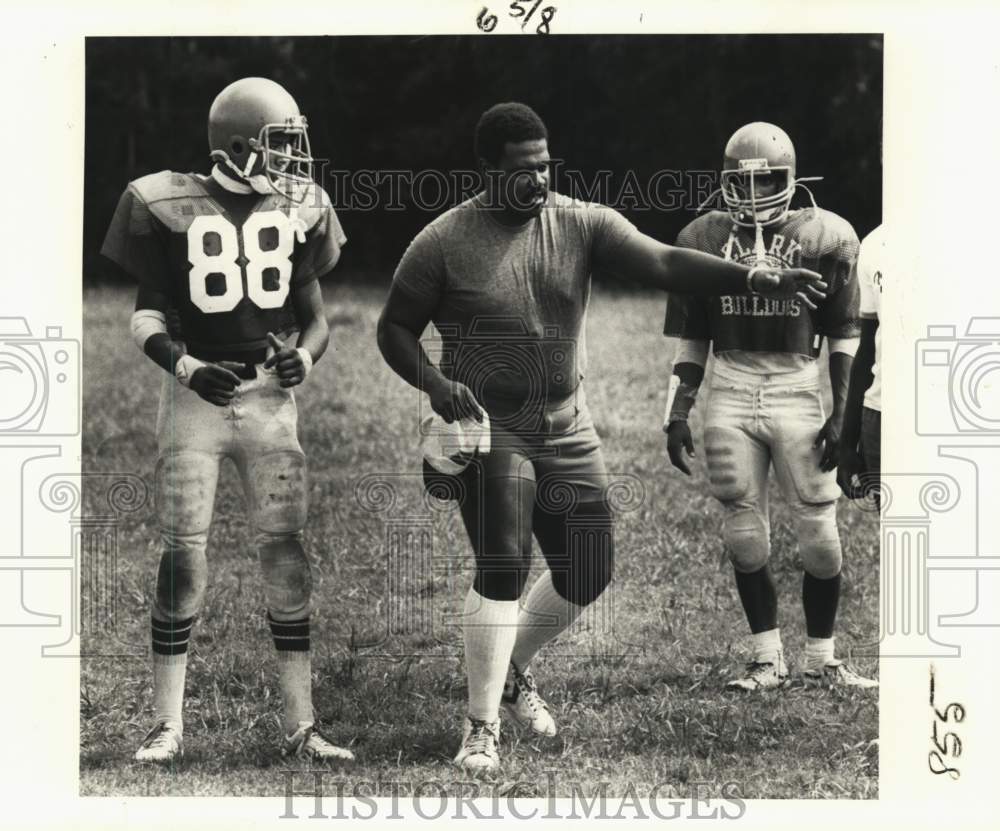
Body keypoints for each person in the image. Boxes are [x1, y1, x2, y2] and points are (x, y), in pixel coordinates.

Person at [377, 103, 828, 774]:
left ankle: (512, 671)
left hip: (567, 421)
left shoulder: (579, 221)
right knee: (502, 559)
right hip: (491, 426)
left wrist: (755, 275)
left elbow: (667, 262)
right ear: (486, 172)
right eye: (522, 171)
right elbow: (394, 329)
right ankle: (479, 728)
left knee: (590, 567)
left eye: (545, 166)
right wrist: (436, 387)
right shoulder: (443, 240)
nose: (538, 181)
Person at [101, 77, 354, 764]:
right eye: (280, 143)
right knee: (183, 556)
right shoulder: (166, 200)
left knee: (286, 553)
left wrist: (302, 355)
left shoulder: (298, 207)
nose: (292, 158)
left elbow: (317, 319)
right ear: (239, 145)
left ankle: (303, 725)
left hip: (270, 400)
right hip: (195, 402)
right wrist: (186, 367)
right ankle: (167, 724)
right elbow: (146, 316)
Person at [663, 122, 878, 692]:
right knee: (742, 527)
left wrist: (840, 413)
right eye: (741, 182)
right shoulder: (700, 236)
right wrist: (677, 410)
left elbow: (844, 333)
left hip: (796, 384)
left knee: (819, 530)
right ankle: (766, 658)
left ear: (793, 178)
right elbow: (692, 340)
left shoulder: (827, 235)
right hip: (731, 386)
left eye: (767, 182)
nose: (753, 194)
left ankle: (822, 657)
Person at [837, 224, 884, 506]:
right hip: (881, 413)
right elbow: (868, 347)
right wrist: (847, 443)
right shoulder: (876, 242)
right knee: (900, 533)